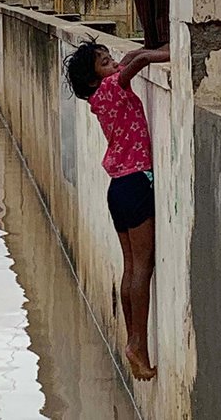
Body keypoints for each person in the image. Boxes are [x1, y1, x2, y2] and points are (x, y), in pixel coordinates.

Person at [64, 39, 168, 381]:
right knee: (144, 268)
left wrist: (152, 48)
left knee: (130, 267)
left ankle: (132, 340)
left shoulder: (99, 96)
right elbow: (136, 64)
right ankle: (138, 344)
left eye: (110, 60)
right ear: (96, 79)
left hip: (119, 188)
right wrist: (166, 53)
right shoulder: (110, 87)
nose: (114, 65)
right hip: (136, 183)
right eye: (106, 63)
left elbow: (130, 58)